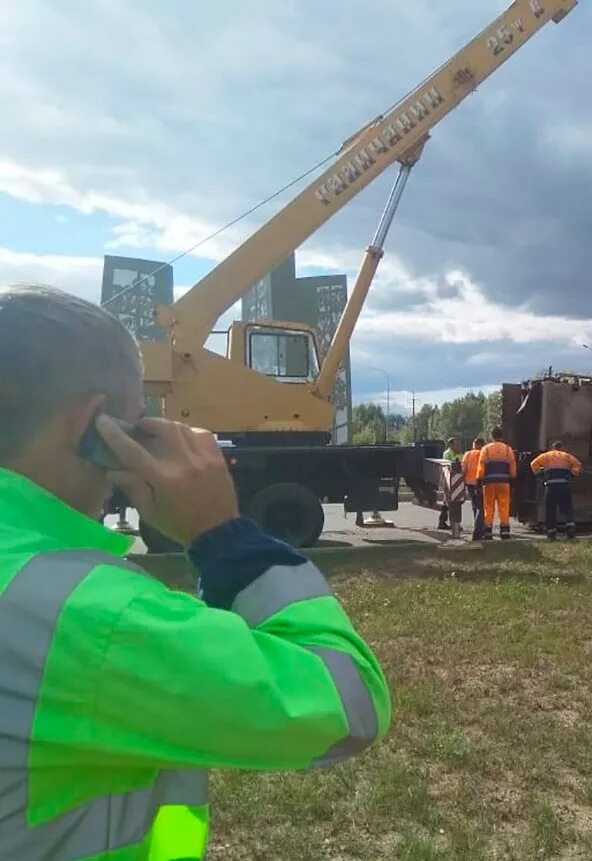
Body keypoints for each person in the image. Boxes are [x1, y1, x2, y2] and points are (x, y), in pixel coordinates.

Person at [0, 285, 391, 860]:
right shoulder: (84, 616)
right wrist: (221, 536)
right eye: (134, 426)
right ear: (93, 429)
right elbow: (349, 702)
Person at [529, 440, 582, 539]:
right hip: (564, 485)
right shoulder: (566, 456)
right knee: (567, 508)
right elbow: (578, 464)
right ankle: (570, 529)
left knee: (551, 509)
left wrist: (540, 475)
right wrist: (572, 475)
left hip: (551, 486)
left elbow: (533, 464)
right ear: (561, 448)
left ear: (553, 448)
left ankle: (551, 532)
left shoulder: (546, 456)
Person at [475, 427, 516, 540]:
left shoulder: (486, 449)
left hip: (489, 483)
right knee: (504, 506)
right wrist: (512, 480)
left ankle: (488, 531)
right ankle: (504, 531)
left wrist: (479, 480)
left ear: (491, 436)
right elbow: (512, 468)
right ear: (502, 436)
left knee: (489, 506)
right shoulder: (508, 450)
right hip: (504, 482)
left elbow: (481, 467)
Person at [461, 437, 486, 540]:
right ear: (482, 445)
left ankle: (478, 528)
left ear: (474, 444)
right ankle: (479, 531)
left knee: (475, 506)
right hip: (480, 483)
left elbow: (463, 469)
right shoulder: (484, 454)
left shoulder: (467, 454)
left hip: (470, 483)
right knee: (481, 507)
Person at [437, 437, 462, 530]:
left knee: (450, 503)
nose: (458, 446)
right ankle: (451, 523)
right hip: (449, 482)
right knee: (449, 502)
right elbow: (447, 467)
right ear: (451, 445)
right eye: (456, 444)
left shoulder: (459, 454)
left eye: (459, 444)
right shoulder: (447, 454)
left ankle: (446, 522)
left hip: (457, 482)